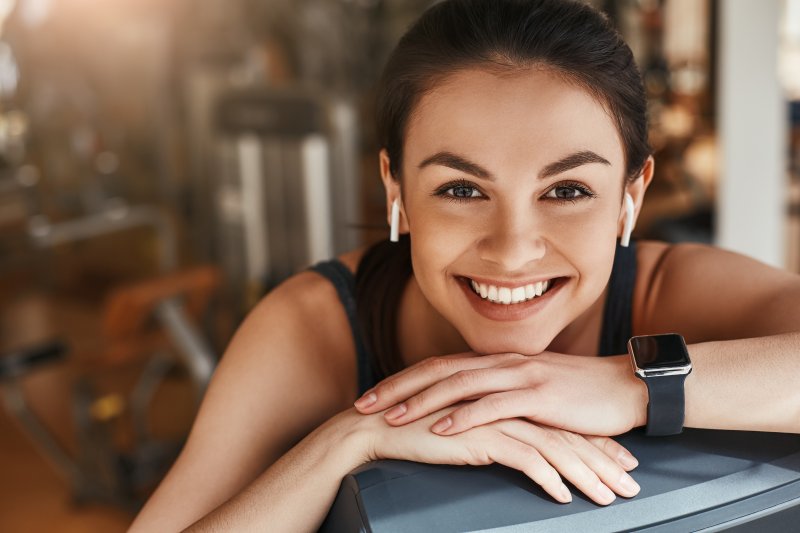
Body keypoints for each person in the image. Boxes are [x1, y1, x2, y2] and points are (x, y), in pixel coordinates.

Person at [129, 0, 800, 531]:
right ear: (397, 190)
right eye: (461, 190)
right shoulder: (314, 327)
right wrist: (346, 441)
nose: (513, 249)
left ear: (632, 194)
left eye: (567, 191)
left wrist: (628, 384)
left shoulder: (667, 290)